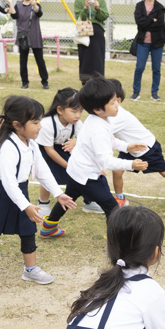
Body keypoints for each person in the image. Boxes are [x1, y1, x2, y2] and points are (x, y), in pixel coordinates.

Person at [0, 96, 76, 285]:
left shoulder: (31, 142)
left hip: (19, 192)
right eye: (35, 122)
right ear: (17, 124)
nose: (40, 126)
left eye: (40, 121)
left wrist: (58, 193)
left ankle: (30, 270)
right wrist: (26, 206)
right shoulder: (8, 147)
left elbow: (42, 170)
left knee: (27, 230)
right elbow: (8, 183)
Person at [40, 78, 148, 234]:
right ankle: (117, 243)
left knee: (68, 197)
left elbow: (108, 140)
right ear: (98, 109)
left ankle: (49, 226)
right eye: (112, 102)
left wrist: (126, 146)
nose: (117, 104)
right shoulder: (98, 127)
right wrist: (131, 164)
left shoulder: (96, 119)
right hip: (87, 176)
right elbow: (107, 161)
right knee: (112, 208)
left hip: (76, 171)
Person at [105, 79, 165, 213]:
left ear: (118, 100)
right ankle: (120, 199)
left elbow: (102, 135)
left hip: (146, 147)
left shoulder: (118, 116)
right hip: (130, 147)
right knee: (117, 170)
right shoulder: (108, 114)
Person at [36, 88, 83, 216]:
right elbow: (50, 151)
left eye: (81, 111)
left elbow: (85, 141)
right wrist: (69, 166)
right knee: (48, 175)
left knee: (82, 171)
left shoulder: (77, 123)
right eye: (74, 111)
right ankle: (43, 202)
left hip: (63, 147)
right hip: (46, 150)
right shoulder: (47, 124)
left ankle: (90, 200)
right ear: (60, 110)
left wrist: (77, 142)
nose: (78, 115)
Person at [5, 0, 49, 90]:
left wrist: (34, 4)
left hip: (35, 36)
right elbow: (14, 15)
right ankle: (24, 82)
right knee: (23, 61)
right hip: (23, 37)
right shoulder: (18, 5)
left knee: (40, 60)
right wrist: (10, 3)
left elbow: (39, 14)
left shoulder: (36, 4)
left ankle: (44, 81)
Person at [131, 0, 165, 101]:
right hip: (143, 42)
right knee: (139, 67)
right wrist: (152, 20)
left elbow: (160, 24)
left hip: (157, 43)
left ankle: (154, 93)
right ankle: (136, 92)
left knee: (156, 69)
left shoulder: (160, 8)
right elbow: (139, 22)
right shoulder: (139, 6)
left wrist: (147, 22)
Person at [73, 0, 110, 83]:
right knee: (85, 58)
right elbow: (80, 18)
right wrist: (85, 8)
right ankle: (85, 81)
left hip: (97, 31)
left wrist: (98, 8)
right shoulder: (79, 1)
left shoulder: (100, 0)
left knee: (98, 58)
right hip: (84, 32)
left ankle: (99, 81)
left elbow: (104, 16)